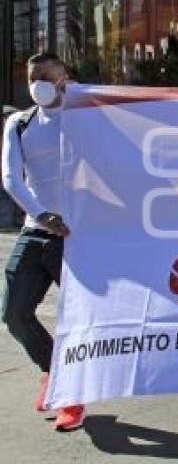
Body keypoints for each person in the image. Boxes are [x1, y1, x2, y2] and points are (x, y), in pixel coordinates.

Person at [1, 53, 85, 431]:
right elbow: (10, 177)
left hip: (79, 238)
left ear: (64, 77)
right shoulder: (19, 124)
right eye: (33, 76)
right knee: (14, 313)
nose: (38, 83)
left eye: (46, 76)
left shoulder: (85, 117)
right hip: (36, 232)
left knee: (79, 320)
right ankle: (52, 371)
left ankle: (72, 397)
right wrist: (42, 214)